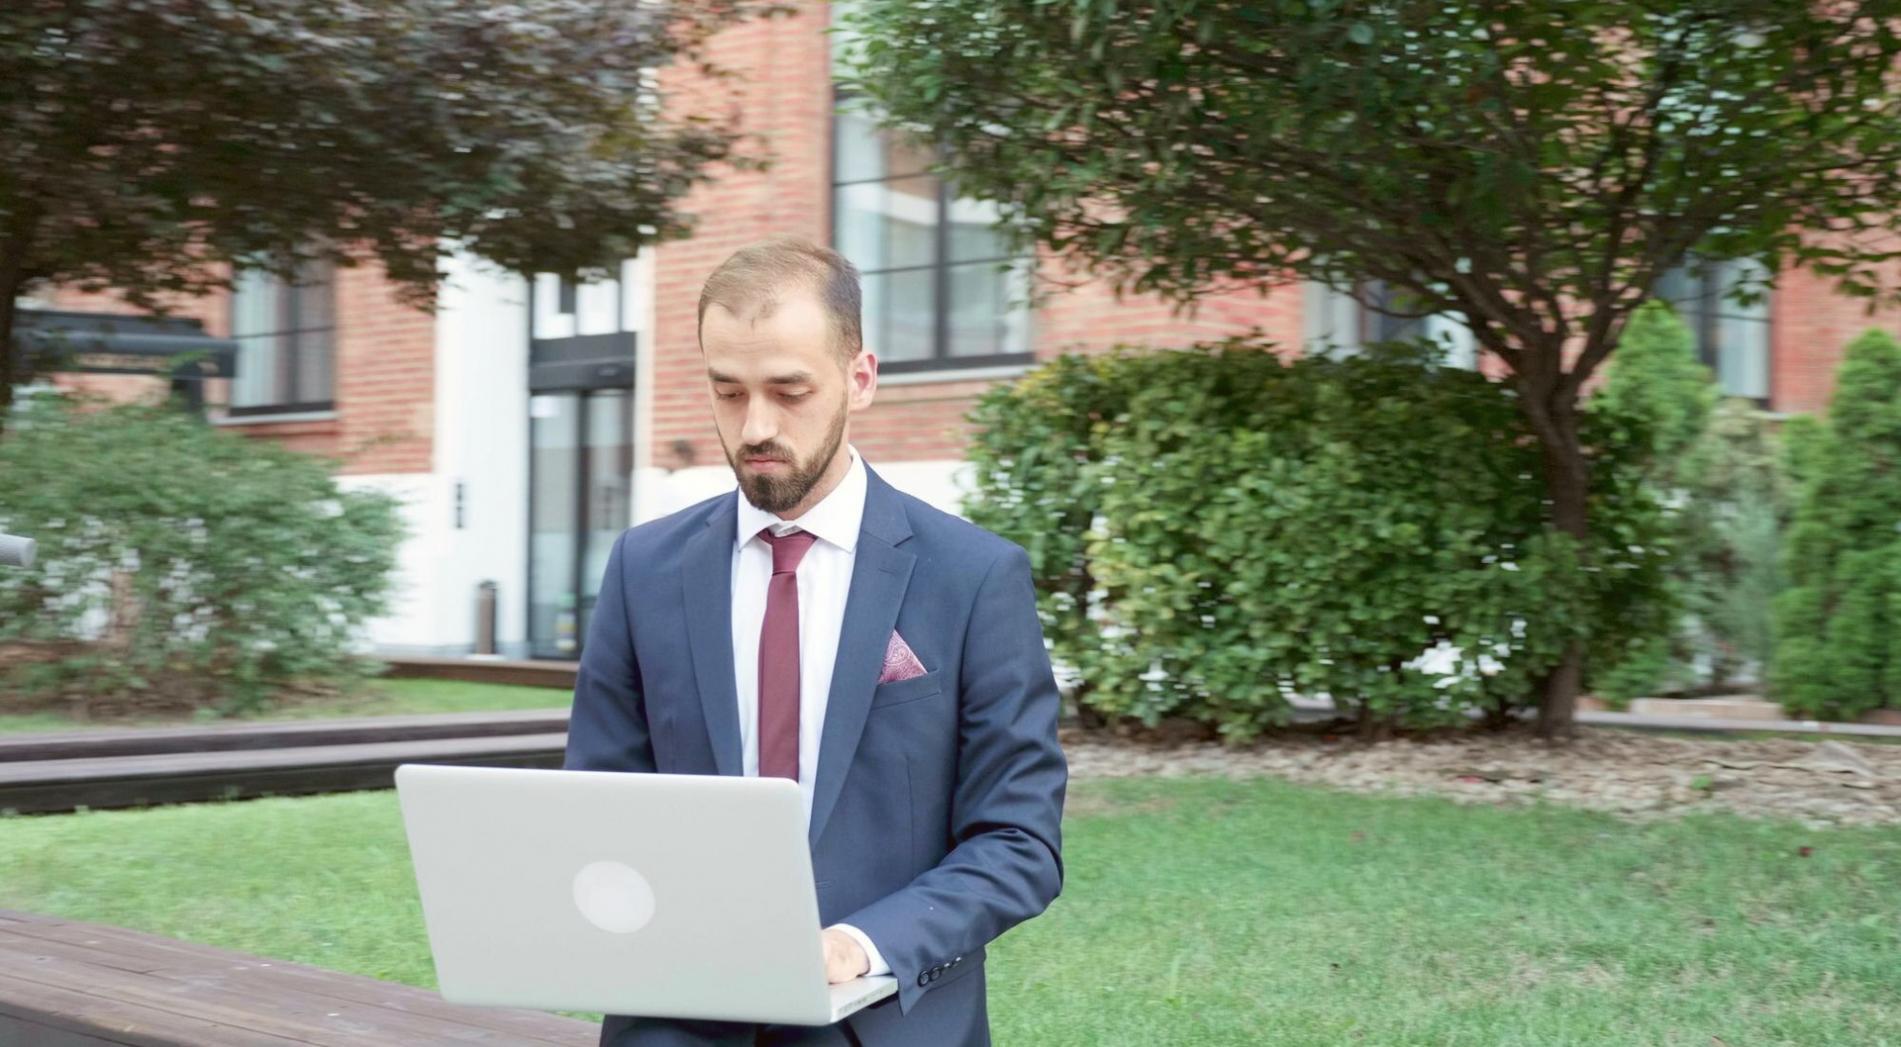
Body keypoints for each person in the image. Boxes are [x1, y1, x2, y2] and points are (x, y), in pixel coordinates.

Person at [564, 237, 1068, 1046]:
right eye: (727, 392)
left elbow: (1018, 842)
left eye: (788, 390)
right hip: (676, 1017)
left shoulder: (974, 576)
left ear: (859, 378)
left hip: (881, 1019)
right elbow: (599, 806)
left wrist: (858, 946)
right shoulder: (643, 568)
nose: (755, 425)